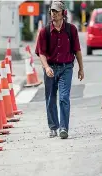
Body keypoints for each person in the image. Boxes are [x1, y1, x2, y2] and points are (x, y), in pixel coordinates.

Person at [35, 0, 84, 139]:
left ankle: (63, 127)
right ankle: (53, 127)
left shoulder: (71, 29)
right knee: (50, 99)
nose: (54, 14)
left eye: (56, 11)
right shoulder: (44, 32)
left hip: (66, 68)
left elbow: (77, 50)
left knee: (64, 98)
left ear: (63, 13)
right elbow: (41, 53)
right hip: (50, 68)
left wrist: (81, 68)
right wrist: (46, 67)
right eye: (52, 11)